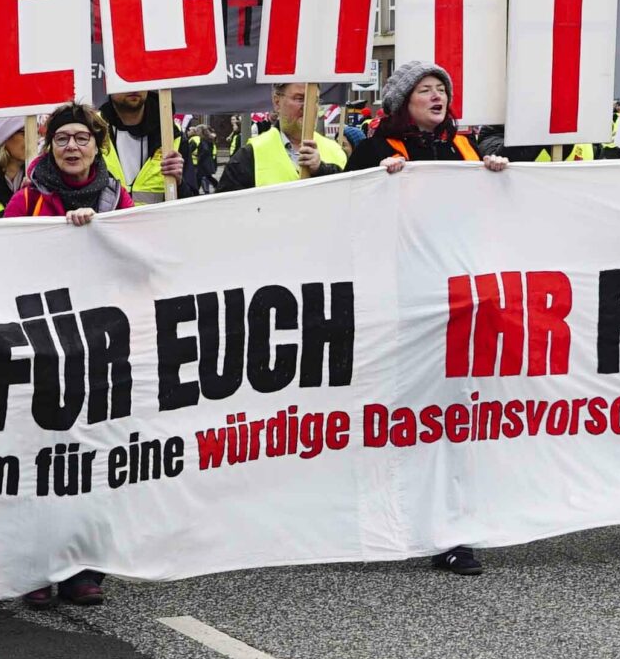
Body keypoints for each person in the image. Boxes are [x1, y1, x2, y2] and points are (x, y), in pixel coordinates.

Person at [0, 102, 137, 609]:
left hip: (99, 348)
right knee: (37, 459)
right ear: (48, 147)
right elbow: (0, 258)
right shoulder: (28, 200)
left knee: (91, 459)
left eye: (81, 138)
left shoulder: (117, 198)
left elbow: (142, 259)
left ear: (96, 145)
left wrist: (101, 229)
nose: (72, 147)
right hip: (41, 346)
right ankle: (35, 565)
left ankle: (83, 569)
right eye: (62, 139)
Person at [376, 61, 510, 576]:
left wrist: (494, 180)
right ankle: (404, 516)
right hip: (405, 307)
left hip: (460, 304)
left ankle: (450, 531)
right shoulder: (377, 152)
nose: (437, 97)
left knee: (452, 417)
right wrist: (376, 184)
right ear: (402, 102)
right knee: (409, 417)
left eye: (442, 90)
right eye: (425, 90)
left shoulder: (466, 149)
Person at [216, 82, 349, 190]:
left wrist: (322, 170)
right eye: (299, 99)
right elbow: (226, 211)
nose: (308, 107)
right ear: (277, 102)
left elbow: (350, 199)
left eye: (314, 100)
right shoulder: (251, 154)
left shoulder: (336, 151)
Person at [98, 90, 187, 201]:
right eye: (125, 79)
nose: (134, 88)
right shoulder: (92, 130)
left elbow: (192, 200)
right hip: (108, 218)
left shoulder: (173, 133)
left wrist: (179, 184)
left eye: (138, 79)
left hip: (159, 218)